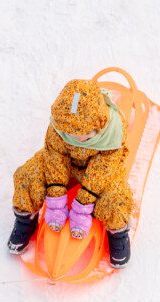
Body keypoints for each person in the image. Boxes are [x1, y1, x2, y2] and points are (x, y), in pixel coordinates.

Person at [7, 79, 133, 268]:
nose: (77, 139)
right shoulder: (60, 125)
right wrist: (55, 192)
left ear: (99, 125)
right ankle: (26, 220)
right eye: (71, 135)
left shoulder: (113, 131)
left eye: (84, 136)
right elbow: (55, 155)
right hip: (66, 164)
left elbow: (105, 166)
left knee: (117, 197)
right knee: (27, 175)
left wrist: (86, 198)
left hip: (101, 169)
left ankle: (118, 233)